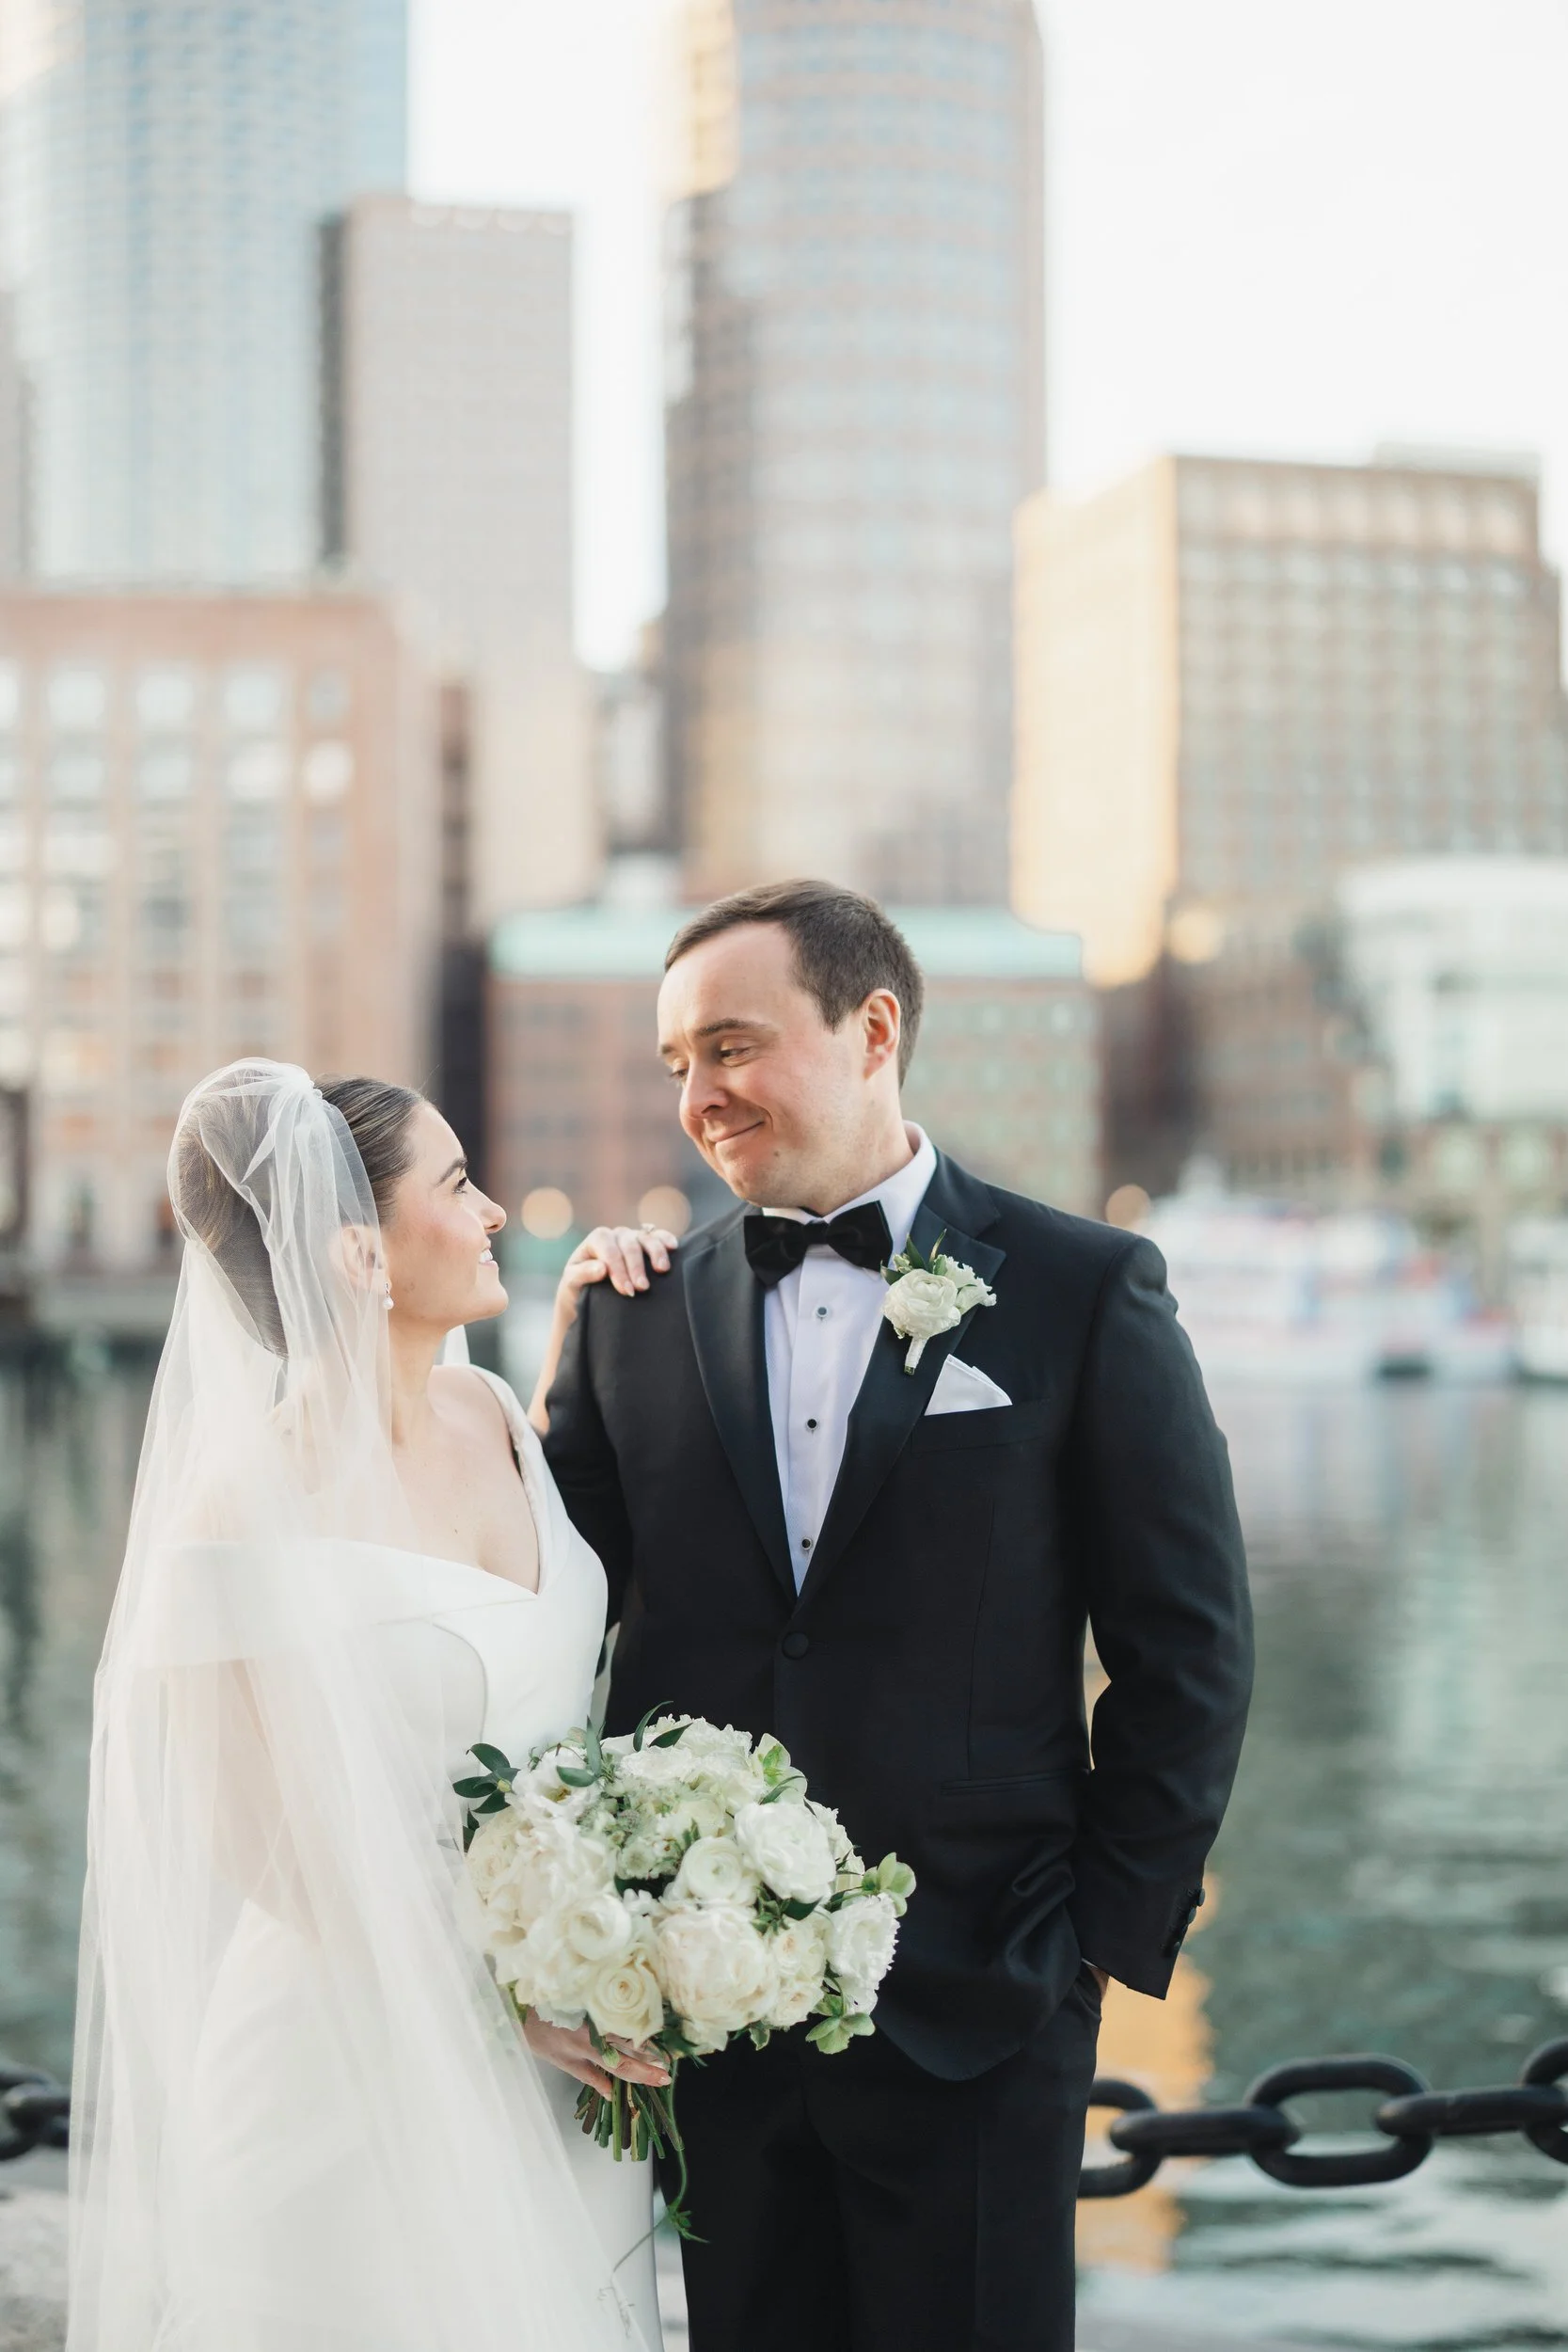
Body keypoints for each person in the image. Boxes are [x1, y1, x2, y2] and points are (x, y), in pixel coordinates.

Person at [537, 880, 1254, 2352]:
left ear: (872, 1031)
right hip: (705, 2018)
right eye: (675, 1064)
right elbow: (550, 1633)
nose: (700, 1097)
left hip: (985, 2000)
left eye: (731, 1047)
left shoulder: (1080, 1285)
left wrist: (1093, 1949)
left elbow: (1185, 1647)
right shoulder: (626, 1314)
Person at [69, 1060, 667, 2352]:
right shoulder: (232, 1516)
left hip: (569, 2058)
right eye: (457, 1184)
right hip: (349, 2075)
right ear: (357, 1250)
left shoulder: (498, 1407)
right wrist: (507, 1994)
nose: (495, 1208)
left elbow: (552, 1653)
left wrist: (594, 1315)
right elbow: (260, 1853)